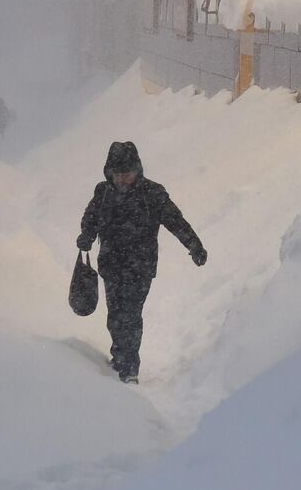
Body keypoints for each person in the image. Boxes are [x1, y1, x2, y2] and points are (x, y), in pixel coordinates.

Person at [76, 141, 205, 383]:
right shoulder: (103, 192)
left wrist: (194, 245)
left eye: (129, 174)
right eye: (119, 175)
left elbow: (175, 221)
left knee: (132, 315)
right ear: (110, 173)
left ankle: (129, 369)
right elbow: (90, 218)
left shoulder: (153, 194)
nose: (124, 180)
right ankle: (119, 359)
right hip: (111, 265)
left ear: (138, 171)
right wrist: (86, 236)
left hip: (140, 267)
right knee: (115, 315)